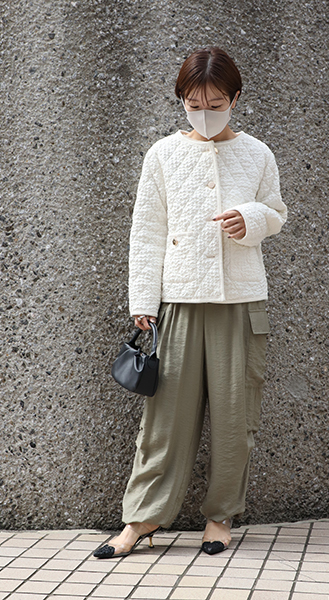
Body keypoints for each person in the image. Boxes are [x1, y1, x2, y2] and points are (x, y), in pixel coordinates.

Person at [94, 46, 287, 559]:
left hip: (241, 301)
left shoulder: (258, 153)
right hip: (178, 300)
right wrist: (144, 299)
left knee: (234, 419)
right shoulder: (162, 154)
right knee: (165, 421)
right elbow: (146, 231)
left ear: (235, 98)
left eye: (215, 104)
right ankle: (142, 519)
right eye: (194, 105)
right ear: (181, 101)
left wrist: (250, 218)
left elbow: (276, 212)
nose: (204, 114)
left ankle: (220, 517)